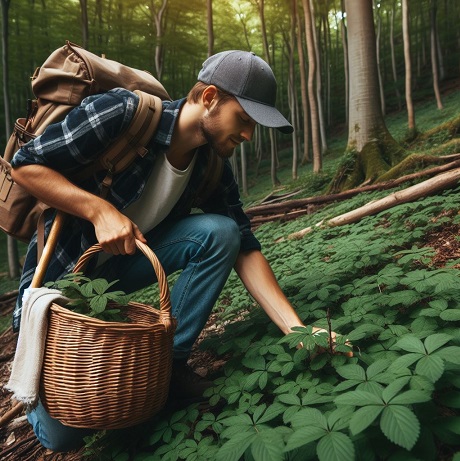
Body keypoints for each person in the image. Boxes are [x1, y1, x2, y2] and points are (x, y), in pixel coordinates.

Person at [10, 50, 345, 452]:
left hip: (123, 266)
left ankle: (167, 367)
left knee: (221, 233)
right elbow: (24, 164)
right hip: (63, 275)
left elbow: (245, 247)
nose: (248, 135)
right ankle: (39, 394)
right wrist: (99, 211)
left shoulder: (211, 166)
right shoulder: (121, 112)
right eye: (244, 119)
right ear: (208, 98)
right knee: (64, 435)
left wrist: (299, 330)